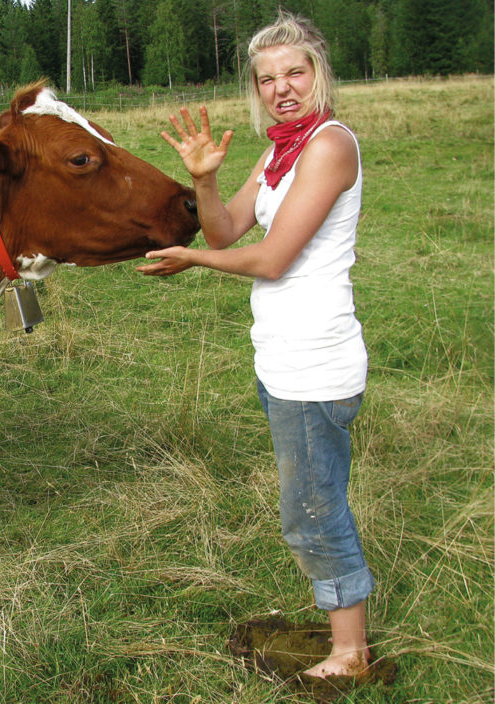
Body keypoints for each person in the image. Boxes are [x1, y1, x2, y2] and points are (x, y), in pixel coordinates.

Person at [137, 12, 373, 679]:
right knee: (311, 502)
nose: (281, 88)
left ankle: (350, 653)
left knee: (313, 510)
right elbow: (225, 231)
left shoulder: (329, 146)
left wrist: (189, 259)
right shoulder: (280, 151)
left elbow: (268, 260)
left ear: (319, 71)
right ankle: (340, 631)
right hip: (281, 357)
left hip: (315, 361)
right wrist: (205, 179)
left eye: (295, 71)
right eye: (267, 78)